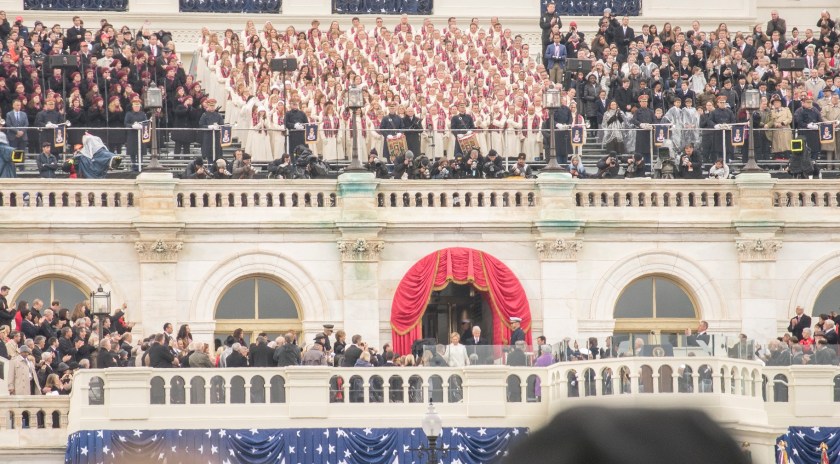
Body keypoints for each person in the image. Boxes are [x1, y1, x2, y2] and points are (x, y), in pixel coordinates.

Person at [124, 96, 147, 172]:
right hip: (132, 135)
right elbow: (126, 123)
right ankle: (134, 166)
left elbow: (146, 123)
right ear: (132, 106)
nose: (137, 107)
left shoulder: (143, 114)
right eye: (135, 105)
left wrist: (141, 126)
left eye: (138, 105)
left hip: (140, 136)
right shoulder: (129, 114)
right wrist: (132, 126)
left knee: (140, 153)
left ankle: (141, 165)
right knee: (132, 152)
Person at [198, 98, 224, 165]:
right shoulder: (204, 115)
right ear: (208, 106)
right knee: (209, 155)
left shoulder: (218, 115)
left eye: (213, 106)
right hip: (208, 137)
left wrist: (218, 126)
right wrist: (208, 127)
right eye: (210, 106)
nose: (212, 107)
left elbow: (222, 125)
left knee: (217, 154)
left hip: (217, 137)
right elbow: (201, 125)